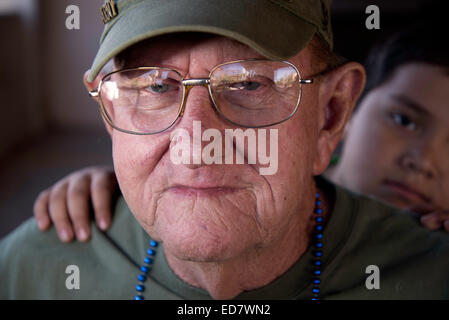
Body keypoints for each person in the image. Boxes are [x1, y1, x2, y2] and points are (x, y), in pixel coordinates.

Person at [1, 0, 449, 300]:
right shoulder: (30, 274)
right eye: (156, 86)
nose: (195, 144)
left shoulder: (428, 277)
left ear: (330, 114)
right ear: (109, 115)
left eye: (249, 84)